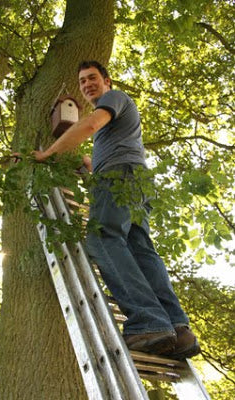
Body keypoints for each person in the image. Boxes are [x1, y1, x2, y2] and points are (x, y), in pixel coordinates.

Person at [33, 60, 200, 360]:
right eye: (82, 81)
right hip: (134, 183)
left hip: (121, 177)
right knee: (141, 251)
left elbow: (89, 124)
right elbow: (96, 159)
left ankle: (148, 321)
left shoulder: (113, 99)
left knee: (102, 239)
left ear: (107, 81)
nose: (86, 85)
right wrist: (84, 165)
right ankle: (177, 327)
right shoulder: (112, 135)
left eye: (92, 78)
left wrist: (47, 153)